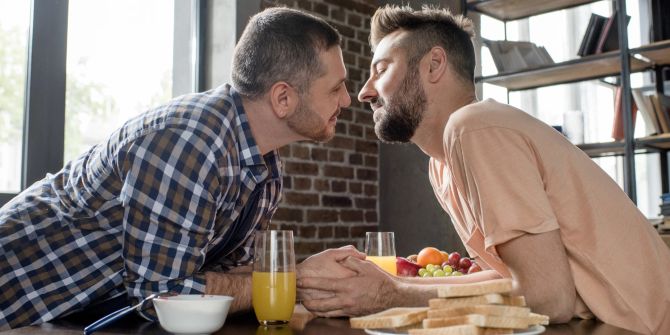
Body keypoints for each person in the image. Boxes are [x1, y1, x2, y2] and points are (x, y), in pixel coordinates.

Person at [296, 5, 670, 334]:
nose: (364, 91)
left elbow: (549, 298)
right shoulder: (441, 166)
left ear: (434, 64)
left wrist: (390, 294)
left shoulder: (474, 128)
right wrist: (386, 284)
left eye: (381, 69)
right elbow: (513, 281)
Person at [0, 6, 351, 330]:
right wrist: (296, 279)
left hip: (80, 316)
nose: (347, 100)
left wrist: (300, 277)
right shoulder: (190, 143)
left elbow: (230, 274)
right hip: (20, 306)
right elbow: (162, 298)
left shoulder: (265, 165)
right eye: (336, 88)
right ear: (283, 98)